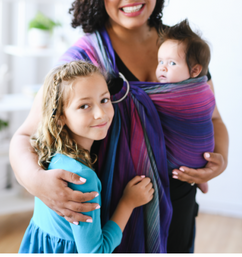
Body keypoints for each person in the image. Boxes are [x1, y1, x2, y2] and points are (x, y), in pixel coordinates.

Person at [10, 0, 228, 253]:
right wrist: (36, 182)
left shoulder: (183, 50)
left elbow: (214, 118)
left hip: (177, 201)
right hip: (110, 210)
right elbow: (24, 136)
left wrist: (220, 160)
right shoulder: (83, 60)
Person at [18, 61, 154, 253]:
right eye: (84, 106)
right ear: (60, 118)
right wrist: (128, 203)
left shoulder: (48, 155)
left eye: (104, 100)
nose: (100, 114)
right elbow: (94, 252)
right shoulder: (81, 178)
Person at [156, 19, 213, 194]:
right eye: (160, 62)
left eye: (172, 63)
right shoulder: (203, 88)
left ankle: (198, 179)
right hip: (202, 156)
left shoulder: (184, 94)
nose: (163, 68)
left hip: (180, 161)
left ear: (195, 71)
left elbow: (139, 96)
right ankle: (199, 180)